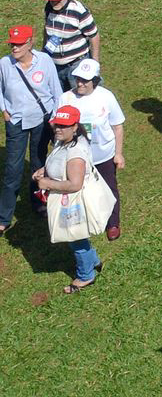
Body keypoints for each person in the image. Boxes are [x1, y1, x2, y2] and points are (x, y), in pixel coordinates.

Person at [32, 104, 102, 292]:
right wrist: (44, 170)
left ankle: (86, 276)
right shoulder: (64, 140)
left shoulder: (75, 153)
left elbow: (74, 184)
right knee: (78, 235)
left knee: (75, 238)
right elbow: (59, 162)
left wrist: (47, 183)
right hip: (68, 200)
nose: (58, 129)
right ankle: (94, 260)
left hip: (73, 202)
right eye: (57, 124)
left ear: (75, 126)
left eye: (64, 126)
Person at [0, 23, 62, 236]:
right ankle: (4, 217)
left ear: (30, 43)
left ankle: (38, 203)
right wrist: (4, 110)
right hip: (16, 121)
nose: (14, 48)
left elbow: (56, 91)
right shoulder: (4, 64)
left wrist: (55, 118)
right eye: (12, 44)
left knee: (38, 164)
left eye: (19, 44)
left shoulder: (44, 61)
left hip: (41, 121)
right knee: (12, 169)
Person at [63, 57, 124, 240]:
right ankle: (85, 221)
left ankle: (113, 223)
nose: (80, 83)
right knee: (80, 189)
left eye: (85, 80)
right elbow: (57, 126)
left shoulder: (106, 97)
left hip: (103, 154)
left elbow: (117, 126)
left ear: (95, 81)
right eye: (77, 79)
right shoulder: (66, 98)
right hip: (77, 157)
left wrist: (118, 154)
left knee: (109, 188)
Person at [43, 0, 100, 91]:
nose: (54, 3)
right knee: (59, 97)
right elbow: (46, 29)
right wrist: (44, 53)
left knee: (81, 95)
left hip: (76, 64)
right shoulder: (49, 8)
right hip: (54, 65)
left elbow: (94, 35)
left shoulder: (79, 11)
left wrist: (95, 61)